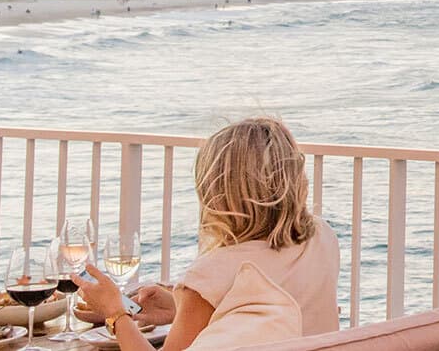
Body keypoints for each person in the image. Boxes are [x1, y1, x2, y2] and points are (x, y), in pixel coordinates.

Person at [75, 118, 339, 351]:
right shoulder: (323, 239)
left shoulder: (209, 275)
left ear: (215, 193)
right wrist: (180, 309)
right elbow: (273, 311)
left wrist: (116, 315)